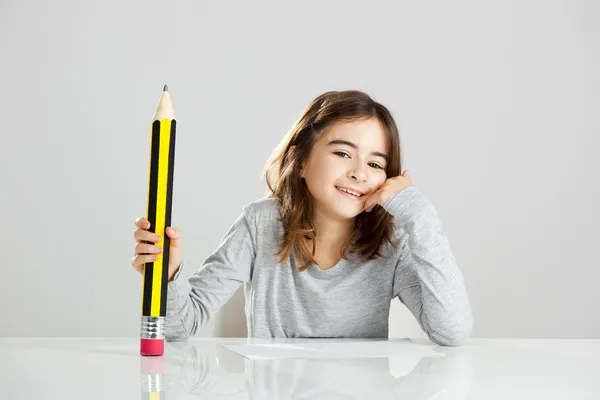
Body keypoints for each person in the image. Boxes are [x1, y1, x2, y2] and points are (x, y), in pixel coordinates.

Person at [131, 90, 474, 346]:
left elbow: (452, 331)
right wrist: (167, 274)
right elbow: (178, 329)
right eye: (342, 153)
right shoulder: (259, 225)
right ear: (302, 160)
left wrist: (418, 212)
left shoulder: (392, 242)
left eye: (375, 164)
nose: (358, 173)